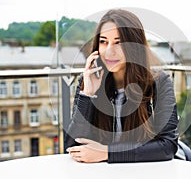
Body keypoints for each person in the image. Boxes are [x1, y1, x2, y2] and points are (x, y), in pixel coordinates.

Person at [65, 9, 179, 163]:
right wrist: (88, 94)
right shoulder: (88, 80)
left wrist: (107, 153)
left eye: (119, 43)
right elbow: (72, 146)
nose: (109, 51)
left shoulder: (159, 81)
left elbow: (167, 146)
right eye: (104, 41)